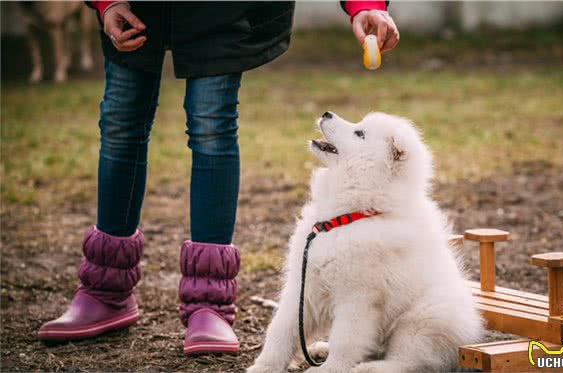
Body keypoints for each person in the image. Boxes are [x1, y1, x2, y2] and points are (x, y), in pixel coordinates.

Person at [38, 1, 399, 355]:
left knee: (211, 125)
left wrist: (364, 4)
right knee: (120, 122)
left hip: (220, 10)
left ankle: (209, 304)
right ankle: (105, 289)